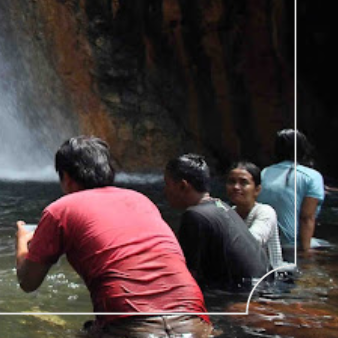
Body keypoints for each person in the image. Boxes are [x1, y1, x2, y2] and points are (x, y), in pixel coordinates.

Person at [16, 136, 210, 338]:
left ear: (66, 177)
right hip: (195, 323)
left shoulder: (60, 210)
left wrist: (22, 243)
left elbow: (28, 282)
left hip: (130, 328)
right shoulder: (140, 200)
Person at [164, 154, 269, 289]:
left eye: (167, 184)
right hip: (263, 285)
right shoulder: (221, 206)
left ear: (183, 186)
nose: (165, 191)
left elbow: (187, 277)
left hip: (242, 295)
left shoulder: (195, 215)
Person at [258, 129, 325, 253]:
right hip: (293, 245)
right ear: (303, 149)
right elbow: (306, 217)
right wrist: (306, 252)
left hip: (266, 242)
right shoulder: (312, 176)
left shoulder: (263, 173)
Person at [225, 161, 285, 270]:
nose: (236, 187)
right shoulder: (228, 213)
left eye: (243, 183)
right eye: (231, 182)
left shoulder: (265, 212)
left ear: (257, 190)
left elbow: (252, 241)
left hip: (269, 278)